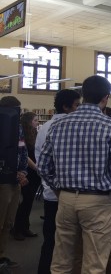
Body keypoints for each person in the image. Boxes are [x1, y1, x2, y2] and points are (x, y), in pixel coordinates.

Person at [37, 75, 111, 274]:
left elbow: (44, 165)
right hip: (99, 201)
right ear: (106, 97)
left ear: (82, 95)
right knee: (94, 264)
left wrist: (58, 188)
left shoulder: (57, 125)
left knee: (61, 261)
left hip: (66, 199)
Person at [36, 89, 81, 274]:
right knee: (69, 241)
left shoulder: (45, 127)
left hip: (51, 193)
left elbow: (41, 162)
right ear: (66, 106)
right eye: (77, 105)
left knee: (51, 239)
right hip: (64, 194)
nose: (79, 109)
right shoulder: (68, 126)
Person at [0, 96, 28, 270]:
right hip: (3, 181)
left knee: (9, 222)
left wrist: (23, 171)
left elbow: (22, 149)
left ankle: (1, 255)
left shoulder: (17, 128)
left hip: (16, 180)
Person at [12, 111, 41, 241]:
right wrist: (35, 167)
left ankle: (25, 227)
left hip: (34, 173)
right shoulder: (22, 134)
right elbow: (25, 155)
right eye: (35, 120)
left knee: (29, 201)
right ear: (29, 122)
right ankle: (17, 228)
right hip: (27, 171)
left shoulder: (35, 134)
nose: (37, 122)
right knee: (24, 201)